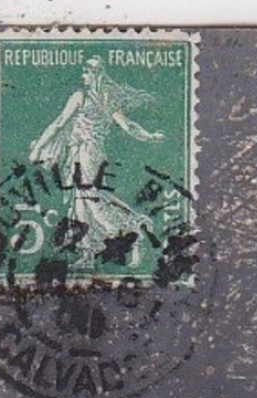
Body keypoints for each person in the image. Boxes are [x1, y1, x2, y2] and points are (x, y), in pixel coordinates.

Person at [26, 58, 164, 268]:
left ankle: (135, 230)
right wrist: (150, 136)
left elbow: (58, 123)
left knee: (91, 199)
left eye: (86, 72)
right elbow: (129, 126)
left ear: (94, 74)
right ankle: (88, 253)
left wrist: (37, 148)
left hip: (85, 154)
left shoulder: (80, 97)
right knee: (80, 201)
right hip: (89, 153)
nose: (83, 76)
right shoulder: (107, 100)